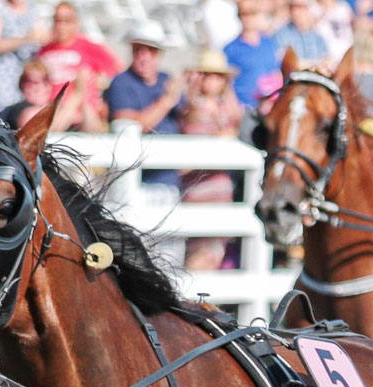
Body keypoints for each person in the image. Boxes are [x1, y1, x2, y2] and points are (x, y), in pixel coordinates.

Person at [179, 48, 244, 270]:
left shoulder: (225, 107)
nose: (211, 80)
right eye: (206, 74)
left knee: (217, 252)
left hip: (221, 190)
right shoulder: (191, 105)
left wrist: (228, 94)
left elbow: (239, 122)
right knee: (199, 252)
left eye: (217, 76)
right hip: (199, 188)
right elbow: (192, 122)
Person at [36, 2, 119, 109]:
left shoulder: (87, 45)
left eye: (67, 21)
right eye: (58, 20)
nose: (61, 26)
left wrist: (98, 79)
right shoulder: (45, 49)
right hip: (50, 108)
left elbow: (116, 67)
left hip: (79, 110)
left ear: (76, 23)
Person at [103, 22, 183, 132]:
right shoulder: (121, 83)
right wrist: (167, 101)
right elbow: (131, 128)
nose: (144, 57)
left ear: (159, 53)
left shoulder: (167, 79)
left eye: (151, 50)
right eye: (137, 50)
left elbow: (186, 120)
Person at [0, 0, 44, 116]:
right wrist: (25, 38)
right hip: (2, 80)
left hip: (25, 80)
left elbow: (42, 37)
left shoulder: (32, 8)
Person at [225, 1, 281, 106]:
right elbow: (227, 84)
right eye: (244, 14)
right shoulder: (230, 49)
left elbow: (276, 72)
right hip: (246, 107)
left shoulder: (269, 43)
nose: (249, 18)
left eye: (253, 13)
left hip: (270, 105)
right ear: (239, 17)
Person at [275, 0, 330, 69]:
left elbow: (327, 60)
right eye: (293, 7)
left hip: (316, 77)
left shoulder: (318, 37)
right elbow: (287, 62)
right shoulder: (282, 33)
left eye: (301, 7)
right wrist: (316, 65)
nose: (296, 12)